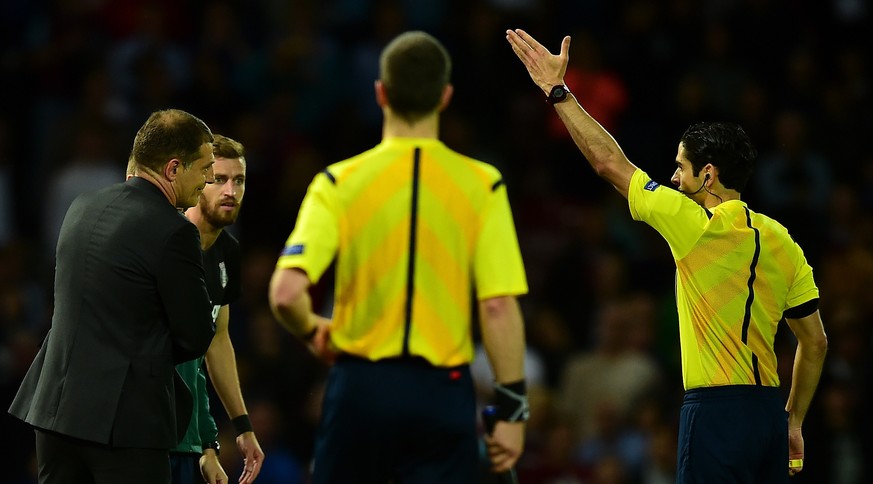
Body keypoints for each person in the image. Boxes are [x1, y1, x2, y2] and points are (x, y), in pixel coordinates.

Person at [506, 29, 828, 483]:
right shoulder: (782, 240)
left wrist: (557, 92)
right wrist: (793, 421)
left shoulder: (694, 224)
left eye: (680, 167)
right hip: (767, 416)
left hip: (714, 415)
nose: (675, 179)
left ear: (708, 175)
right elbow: (814, 344)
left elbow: (609, 165)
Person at [268, 30, 530, 483]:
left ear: (380, 93)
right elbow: (497, 305)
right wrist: (512, 411)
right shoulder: (482, 185)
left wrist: (313, 333)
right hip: (442, 394)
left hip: (359, 389)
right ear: (445, 97)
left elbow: (287, 293)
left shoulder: (337, 182)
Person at [8, 108, 217, 483]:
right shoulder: (174, 231)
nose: (209, 180)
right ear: (173, 169)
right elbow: (195, 334)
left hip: (55, 410)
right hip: (125, 424)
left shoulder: (81, 206)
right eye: (203, 169)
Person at [170, 134, 265, 484]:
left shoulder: (228, 251)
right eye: (219, 179)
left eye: (238, 180)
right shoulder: (168, 243)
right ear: (200, 182)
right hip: (153, 432)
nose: (230, 191)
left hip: (189, 437)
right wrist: (208, 441)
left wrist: (241, 426)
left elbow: (217, 341)